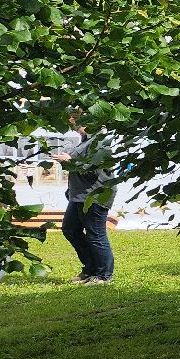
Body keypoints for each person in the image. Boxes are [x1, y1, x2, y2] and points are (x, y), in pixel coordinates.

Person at [53, 121, 117, 285]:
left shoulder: (100, 142)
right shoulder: (86, 141)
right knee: (70, 229)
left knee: (96, 235)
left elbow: (94, 169)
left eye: (77, 125)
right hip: (79, 195)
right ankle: (91, 268)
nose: (75, 129)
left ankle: (104, 275)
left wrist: (69, 161)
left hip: (95, 196)